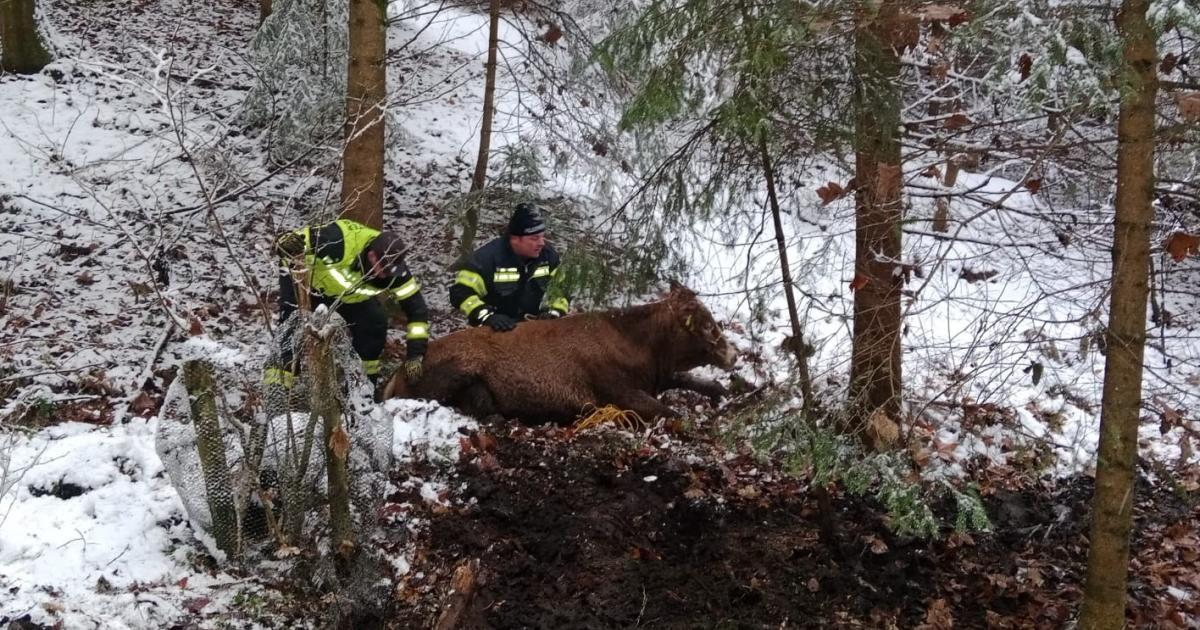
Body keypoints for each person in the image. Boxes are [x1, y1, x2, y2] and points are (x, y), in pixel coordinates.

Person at [264, 218, 430, 389]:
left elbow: (417, 311)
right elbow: (294, 240)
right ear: (372, 256)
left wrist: (415, 356)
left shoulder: (396, 272)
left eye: (389, 271)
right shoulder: (337, 242)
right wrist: (284, 243)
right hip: (310, 285)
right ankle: (280, 385)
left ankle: (363, 388)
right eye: (383, 269)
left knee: (374, 323)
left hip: (348, 296)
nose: (384, 275)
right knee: (292, 322)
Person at [449, 202, 569, 331]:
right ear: (515, 238)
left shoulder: (548, 256)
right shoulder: (486, 259)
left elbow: (562, 288)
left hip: (532, 330)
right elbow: (461, 293)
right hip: (494, 332)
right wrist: (487, 316)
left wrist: (555, 312)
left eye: (542, 237)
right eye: (534, 238)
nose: (541, 243)